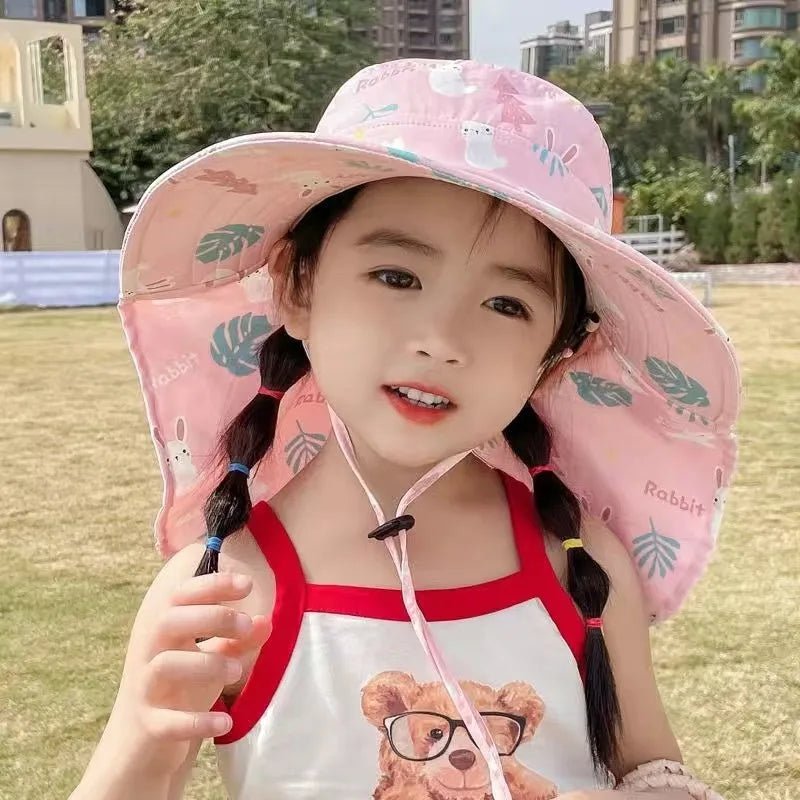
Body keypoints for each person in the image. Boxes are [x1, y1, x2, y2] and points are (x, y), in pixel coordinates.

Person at [71, 58, 739, 800]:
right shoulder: (223, 590)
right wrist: (143, 733)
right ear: (298, 286)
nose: (444, 338)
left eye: (507, 305)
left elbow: (654, 769)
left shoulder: (577, 562)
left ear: (555, 355)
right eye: (397, 277)